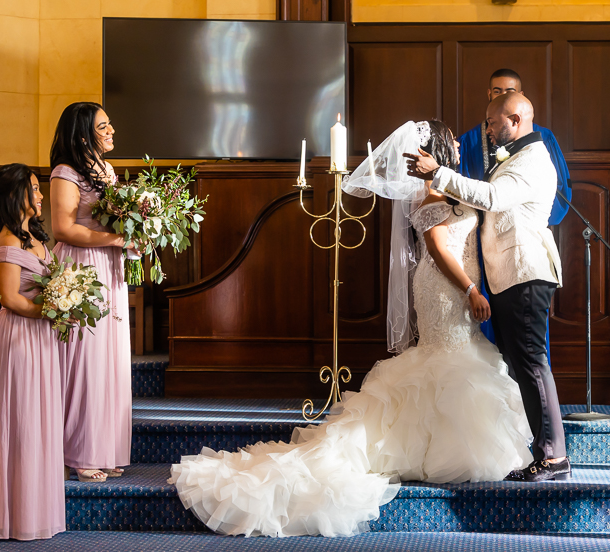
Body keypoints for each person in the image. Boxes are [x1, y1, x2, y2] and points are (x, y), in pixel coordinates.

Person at [168, 120, 532, 538]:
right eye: (451, 140)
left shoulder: (450, 188)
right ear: (438, 151)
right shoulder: (428, 193)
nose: (457, 143)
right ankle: (436, 447)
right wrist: (470, 288)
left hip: (455, 287)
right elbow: (437, 247)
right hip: (446, 286)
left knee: (450, 357)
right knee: (445, 357)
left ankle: (432, 442)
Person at [405, 93, 568, 482]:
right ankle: (545, 452)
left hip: (524, 272)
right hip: (507, 276)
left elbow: (493, 198)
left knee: (531, 363)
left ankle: (554, 456)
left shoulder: (532, 159)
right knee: (521, 362)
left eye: (493, 123)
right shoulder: (513, 156)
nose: (488, 131)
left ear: (514, 119)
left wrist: (438, 173)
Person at [0, 164, 65, 540]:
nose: (42, 194)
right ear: (17, 195)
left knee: (40, 417)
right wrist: (52, 311)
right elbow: (10, 298)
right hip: (17, 337)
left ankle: (36, 508)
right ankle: (13, 515)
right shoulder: (8, 241)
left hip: (41, 338)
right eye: (34, 188)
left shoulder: (38, 239)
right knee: (21, 420)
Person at [50, 102, 134, 484]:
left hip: (110, 268)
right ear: (82, 134)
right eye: (104, 126)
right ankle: (79, 451)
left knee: (110, 359)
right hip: (82, 268)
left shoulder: (107, 169)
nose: (112, 130)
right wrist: (120, 237)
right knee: (85, 360)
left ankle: (105, 447)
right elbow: (64, 229)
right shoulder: (65, 173)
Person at [457, 68, 571, 346]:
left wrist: (532, 224)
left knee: (527, 347)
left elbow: (558, 191)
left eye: (511, 92)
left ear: (521, 97)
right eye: (498, 91)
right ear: (489, 94)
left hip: (521, 246)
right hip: (483, 243)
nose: (504, 96)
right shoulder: (471, 140)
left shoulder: (540, 140)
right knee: (498, 332)